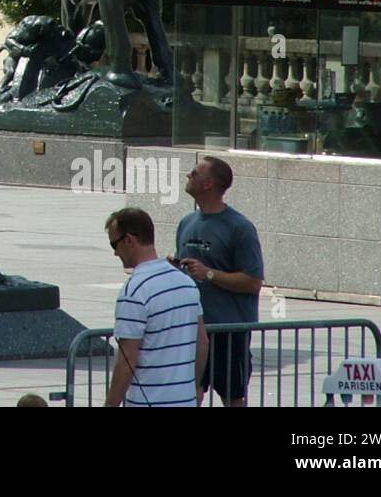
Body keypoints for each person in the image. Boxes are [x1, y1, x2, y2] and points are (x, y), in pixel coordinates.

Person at [173, 156, 264, 407]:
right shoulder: (186, 223)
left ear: (208, 184)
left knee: (232, 395)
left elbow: (253, 280)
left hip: (229, 330)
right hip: (195, 328)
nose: (188, 176)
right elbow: (189, 271)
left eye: (194, 173)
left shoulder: (239, 227)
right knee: (190, 392)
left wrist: (209, 273)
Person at [104, 207, 207, 407]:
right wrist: (194, 387)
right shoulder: (186, 282)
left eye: (114, 244)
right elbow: (202, 342)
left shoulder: (134, 291)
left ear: (129, 240)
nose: (115, 253)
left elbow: (127, 361)